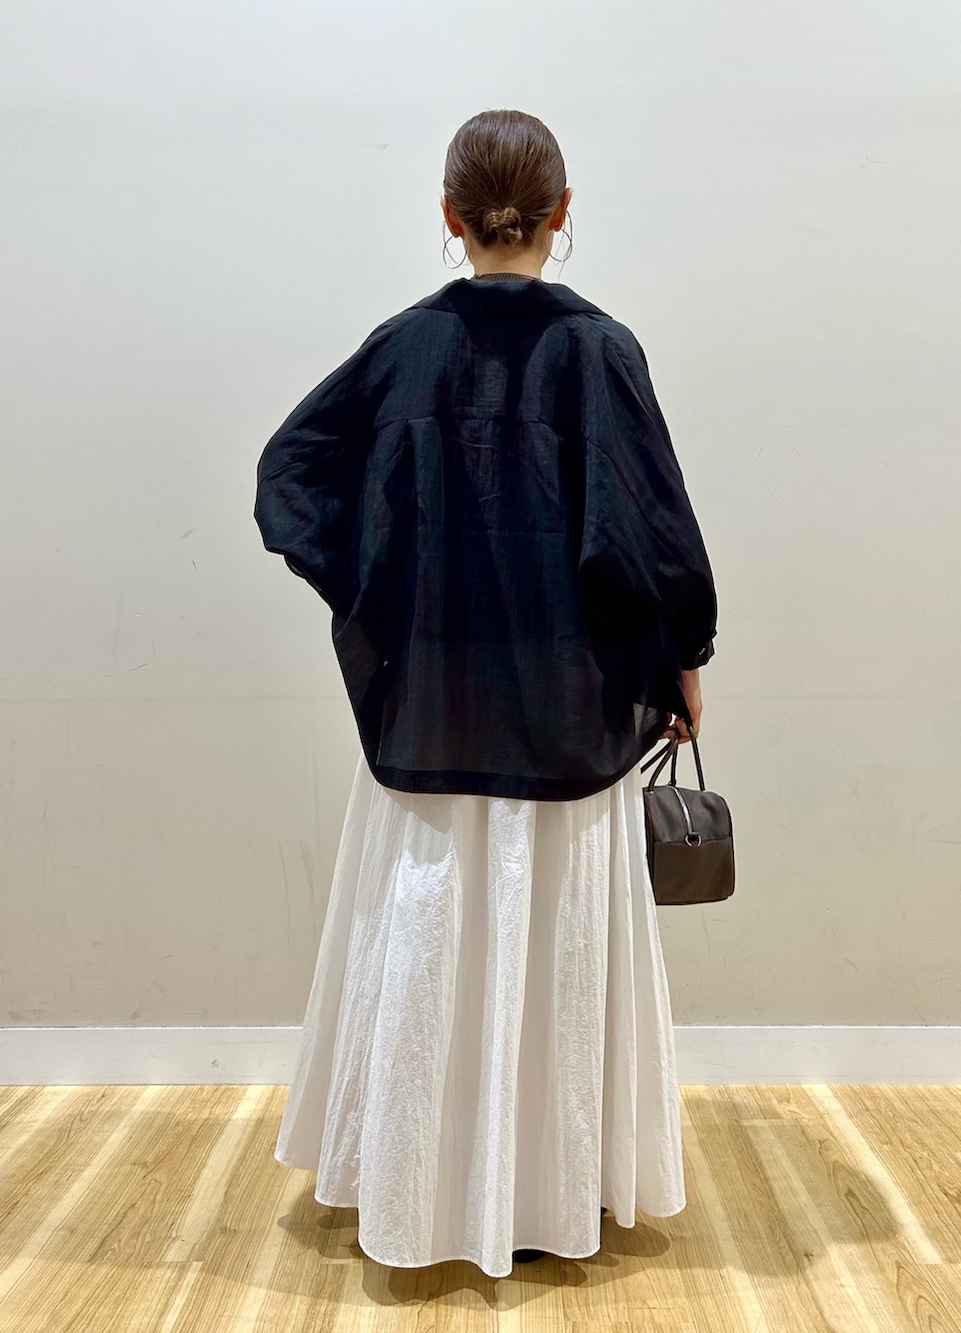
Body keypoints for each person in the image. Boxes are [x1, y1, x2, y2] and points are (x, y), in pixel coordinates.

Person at [253, 108, 717, 1279]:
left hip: (431, 710)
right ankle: (552, 1190)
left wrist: (380, 593)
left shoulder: (403, 348)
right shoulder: (599, 351)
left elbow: (290, 472)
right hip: (567, 714)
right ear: (561, 214)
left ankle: (415, 1187)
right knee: (557, 953)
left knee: (425, 942)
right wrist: (682, 656)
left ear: (449, 215)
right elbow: (651, 532)